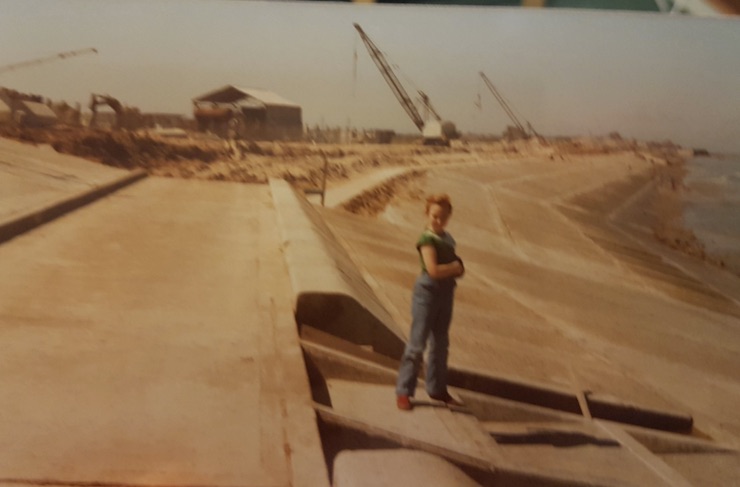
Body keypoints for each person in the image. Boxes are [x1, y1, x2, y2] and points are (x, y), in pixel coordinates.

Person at [396, 193, 465, 411]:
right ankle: (404, 391)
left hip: (446, 293)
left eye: (443, 217)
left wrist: (456, 269)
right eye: (435, 216)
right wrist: (454, 268)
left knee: (441, 344)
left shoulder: (448, 239)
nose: (438, 221)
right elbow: (433, 270)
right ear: (427, 214)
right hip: (427, 293)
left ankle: (437, 389)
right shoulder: (426, 240)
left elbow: (457, 269)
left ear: (449, 216)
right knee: (417, 344)